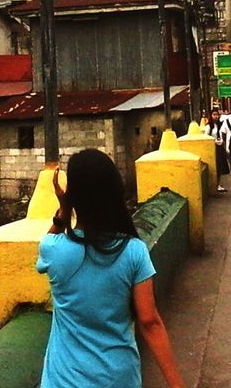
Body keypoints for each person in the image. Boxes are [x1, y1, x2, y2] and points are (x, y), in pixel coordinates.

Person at [39, 149, 184, 388]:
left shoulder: (54, 250)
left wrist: (64, 211)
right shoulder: (133, 251)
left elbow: (49, 242)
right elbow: (149, 322)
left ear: (74, 197)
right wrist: (177, 384)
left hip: (63, 380)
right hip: (118, 378)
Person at [203, 107, 230, 193]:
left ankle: (218, 184)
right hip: (213, 147)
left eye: (217, 115)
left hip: (220, 147)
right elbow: (206, 138)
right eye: (214, 115)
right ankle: (214, 185)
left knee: (220, 166)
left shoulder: (220, 125)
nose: (216, 117)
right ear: (211, 116)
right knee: (215, 166)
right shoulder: (208, 127)